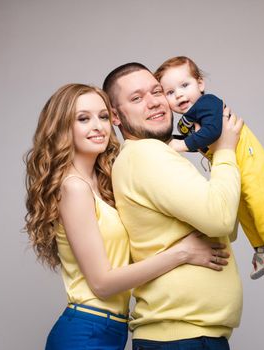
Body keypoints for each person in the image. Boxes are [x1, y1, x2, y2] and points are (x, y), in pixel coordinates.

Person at [24, 83, 231, 350]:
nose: (98, 126)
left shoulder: (104, 182)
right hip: (85, 331)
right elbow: (101, 283)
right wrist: (182, 253)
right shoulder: (73, 188)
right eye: (83, 119)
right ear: (63, 127)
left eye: (103, 116)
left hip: (113, 329)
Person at [103, 64, 244, 349]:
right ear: (116, 116)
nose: (154, 101)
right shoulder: (147, 154)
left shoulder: (147, 155)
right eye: (137, 98)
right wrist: (225, 150)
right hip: (181, 337)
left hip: (187, 335)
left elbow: (223, 230)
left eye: (156, 91)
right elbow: (221, 219)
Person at [155, 56, 264, 282]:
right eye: (169, 92)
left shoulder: (208, 104)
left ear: (200, 84)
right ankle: (261, 252)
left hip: (249, 160)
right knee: (243, 210)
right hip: (232, 165)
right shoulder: (188, 119)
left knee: (260, 203)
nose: (178, 94)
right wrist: (171, 141)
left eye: (184, 85)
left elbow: (214, 132)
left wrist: (180, 144)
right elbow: (198, 137)